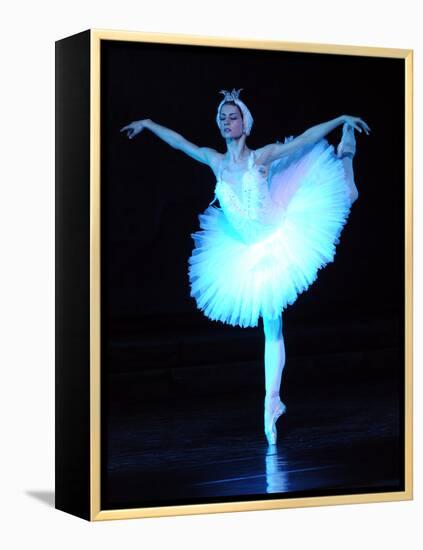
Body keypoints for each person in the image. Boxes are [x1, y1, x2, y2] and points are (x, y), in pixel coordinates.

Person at [120, 88, 370, 446]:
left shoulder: (262, 156)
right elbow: (179, 143)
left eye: (232, 116)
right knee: (272, 324)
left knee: (347, 194)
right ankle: (272, 401)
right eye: (222, 117)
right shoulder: (215, 160)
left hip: (282, 232)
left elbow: (303, 139)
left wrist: (341, 120)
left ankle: (347, 152)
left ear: (245, 123)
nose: (226, 121)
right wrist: (148, 123)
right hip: (247, 250)